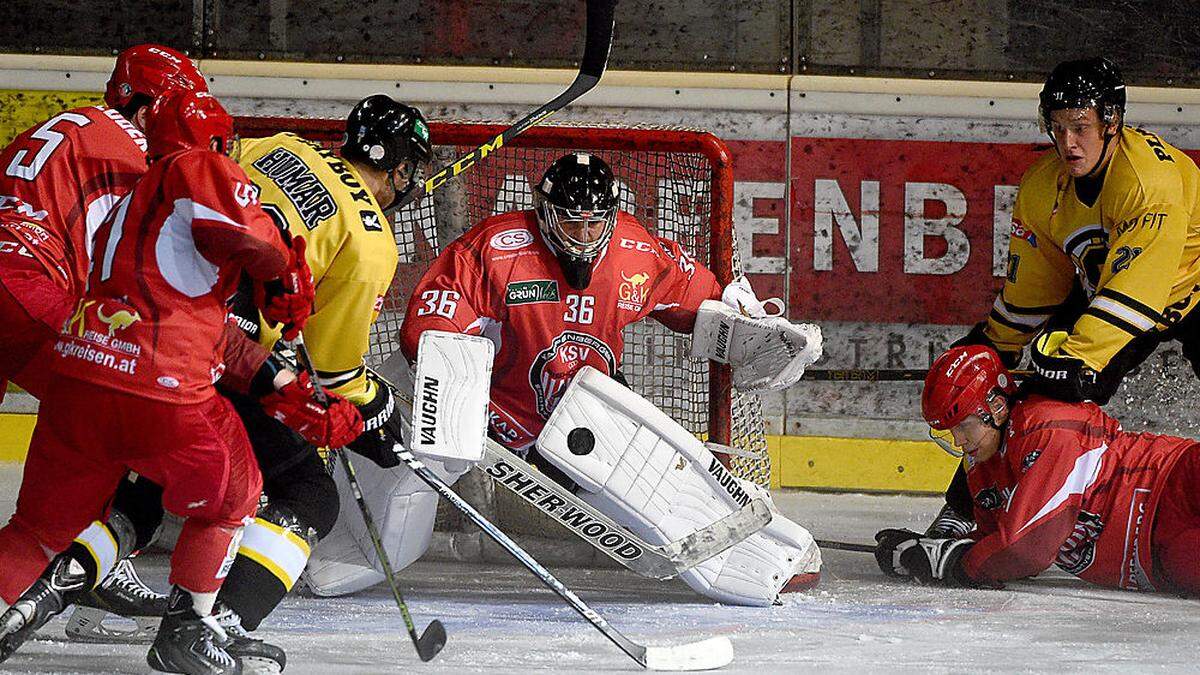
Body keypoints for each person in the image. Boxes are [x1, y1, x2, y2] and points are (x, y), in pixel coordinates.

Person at [302, 151, 826, 607]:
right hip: (481, 405)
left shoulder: (634, 252)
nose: (584, 236)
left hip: (579, 410)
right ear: (544, 211)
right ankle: (342, 547)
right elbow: (428, 326)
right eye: (572, 223)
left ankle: (771, 543)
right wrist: (456, 398)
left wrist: (745, 325)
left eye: (595, 223)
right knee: (407, 474)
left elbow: (695, 298)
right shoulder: (498, 248)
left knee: (652, 485)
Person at [0, 89, 358, 674]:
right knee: (234, 494)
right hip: (159, 388)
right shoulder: (192, 166)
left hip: (78, 377)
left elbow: (199, 321)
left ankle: (41, 591)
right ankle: (189, 632)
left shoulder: (123, 202)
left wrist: (279, 383)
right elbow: (246, 235)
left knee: (37, 528)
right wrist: (285, 270)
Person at [927, 57, 1200, 539]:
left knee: (1067, 375)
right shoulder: (1041, 188)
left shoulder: (1147, 181)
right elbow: (1034, 295)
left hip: (1184, 288)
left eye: (1081, 127)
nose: (1068, 143)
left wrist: (1078, 359)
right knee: (1017, 390)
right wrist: (991, 348)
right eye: (1057, 128)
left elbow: (1136, 293)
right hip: (1113, 292)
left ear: (1111, 123)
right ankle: (968, 507)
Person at [0, 43, 209, 646]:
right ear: (150, 108)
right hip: (26, 292)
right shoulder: (129, 152)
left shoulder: (52, 128)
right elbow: (119, 267)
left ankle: (78, 559)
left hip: (14, 287)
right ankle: (91, 569)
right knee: (119, 402)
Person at [875, 345, 1200, 596]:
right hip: (1158, 560)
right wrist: (927, 551)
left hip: (1174, 482)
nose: (959, 441)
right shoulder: (982, 466)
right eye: (949, 431)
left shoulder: (1047, 426)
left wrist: (951, 563)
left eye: (964, 427)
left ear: (996, 407)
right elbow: (1000, 550)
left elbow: (1028, 545)